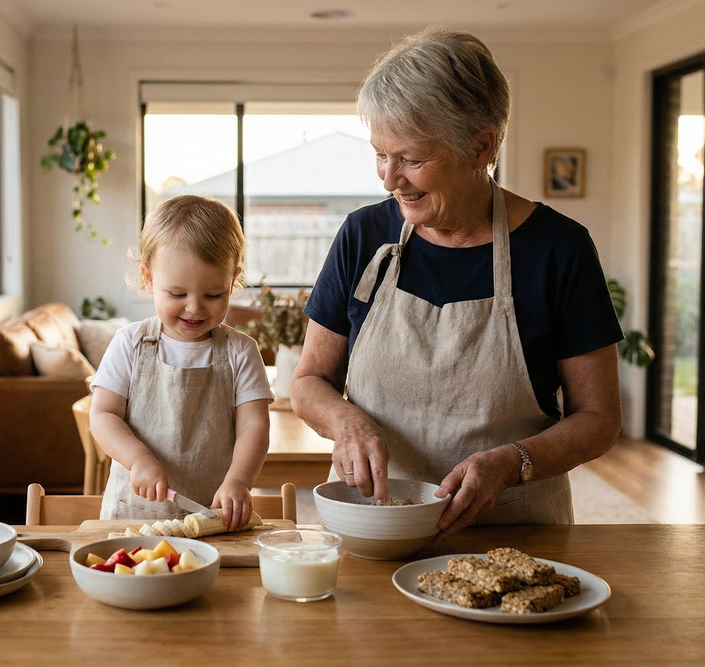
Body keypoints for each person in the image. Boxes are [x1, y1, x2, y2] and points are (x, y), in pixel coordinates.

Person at [290, 26, 623, 545]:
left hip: (512, 537)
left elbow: (599, 417)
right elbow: (308, 381)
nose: (389, 179)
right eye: (380, 154)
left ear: (481, 146)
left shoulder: (559, 249)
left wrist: (512, 463)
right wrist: (344, 421)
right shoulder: (363, 236)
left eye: (412, 159)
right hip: (373, 528)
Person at [90, 194, 273, 531]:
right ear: (148, 278)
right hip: (134, 521)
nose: (194, 308)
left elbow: (254, 427)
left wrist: (238, 482)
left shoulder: (241, 352)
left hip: (212, 519)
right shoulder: (129, 344)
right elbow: (102, 416)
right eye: (177, 294)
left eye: (213, 295)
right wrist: (138, 459)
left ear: (233, 279)